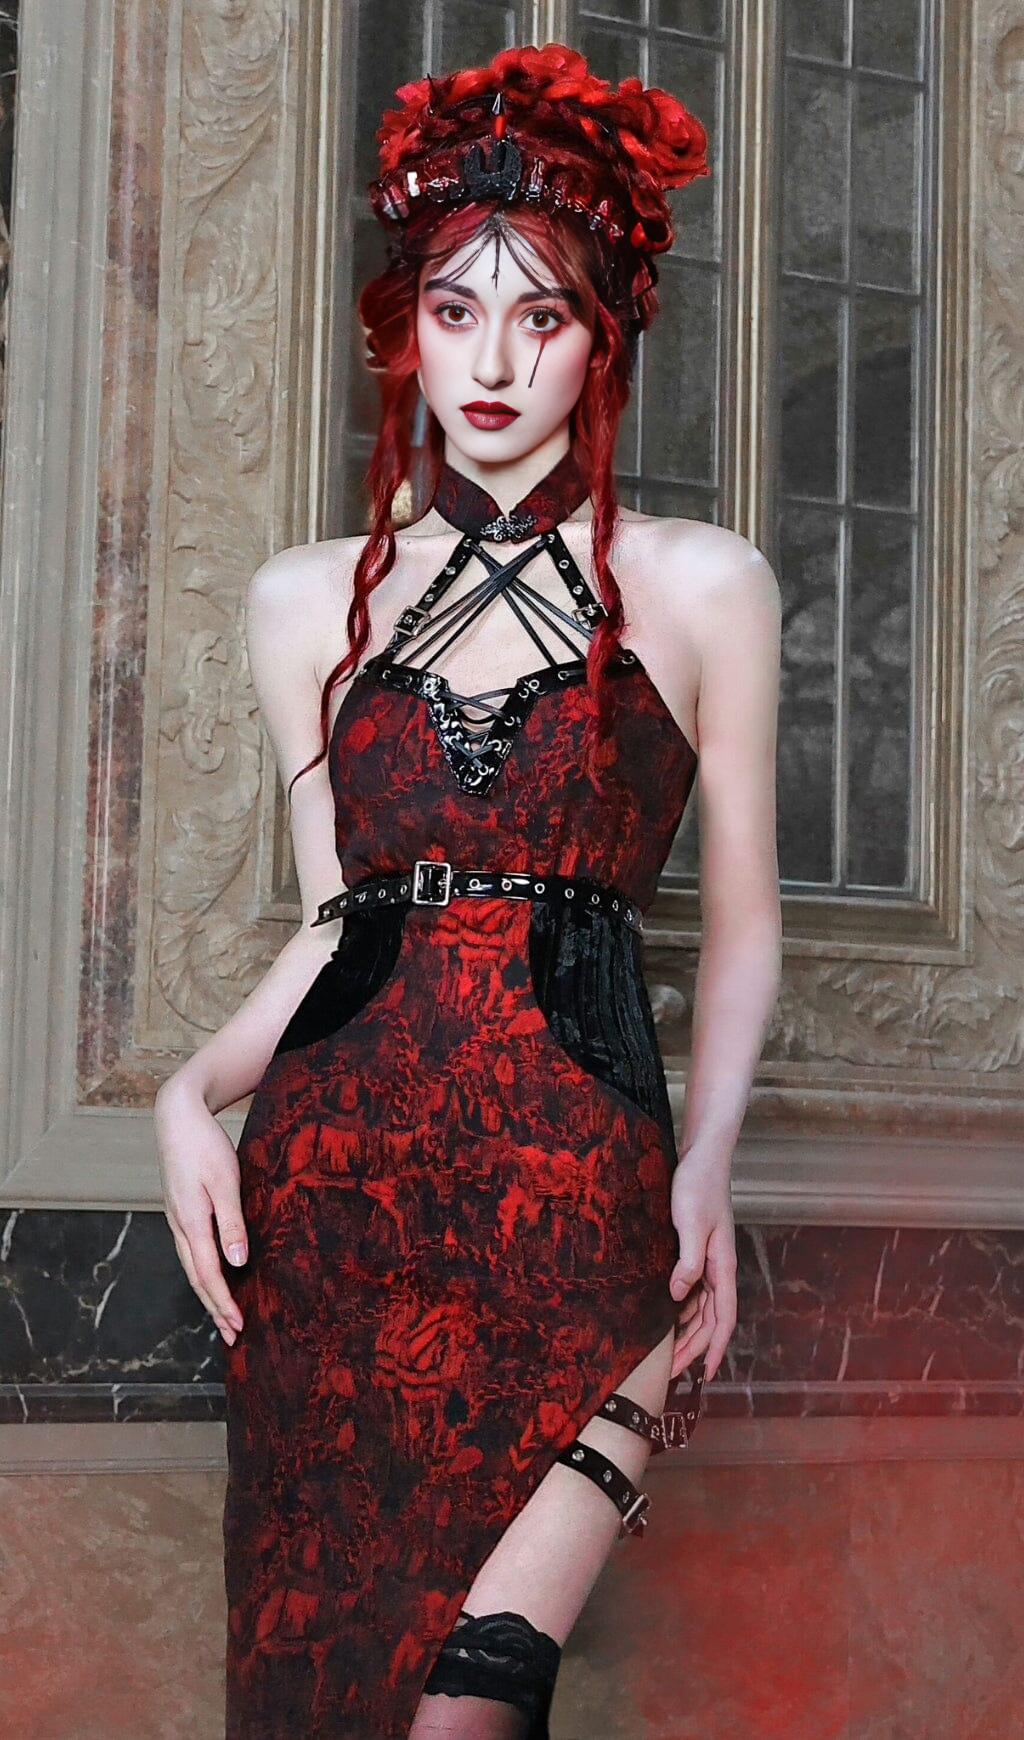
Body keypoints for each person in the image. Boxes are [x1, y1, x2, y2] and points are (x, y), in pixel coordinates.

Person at [154, 41, 782, 1739]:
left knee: (469, 1714)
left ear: (606, 335)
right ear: (405, 327)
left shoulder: (703, 584)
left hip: (582, 1203)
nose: (492, 362)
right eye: (454, 310)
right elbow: (338, 928)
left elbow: (744, 930)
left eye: (541, 316)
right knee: (325, 1702)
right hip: (332, 1206)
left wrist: (710, 1163)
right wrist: (191, 1091)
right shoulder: (306, 601)